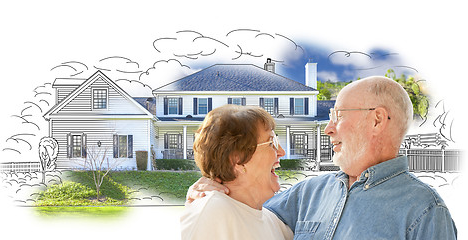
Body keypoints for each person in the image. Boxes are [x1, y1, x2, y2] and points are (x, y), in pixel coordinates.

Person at [186, 76, 457, 239]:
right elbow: (246, 211)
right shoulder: (309, 193)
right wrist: (211, 187)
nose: (328, 129)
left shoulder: (426, 212)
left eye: (338, 115)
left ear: (376, 120)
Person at [180, 104, 293, 240]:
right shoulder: (214, 212)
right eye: (271, 142)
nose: (282, 152)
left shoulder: (274, 221)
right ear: (237, 159)